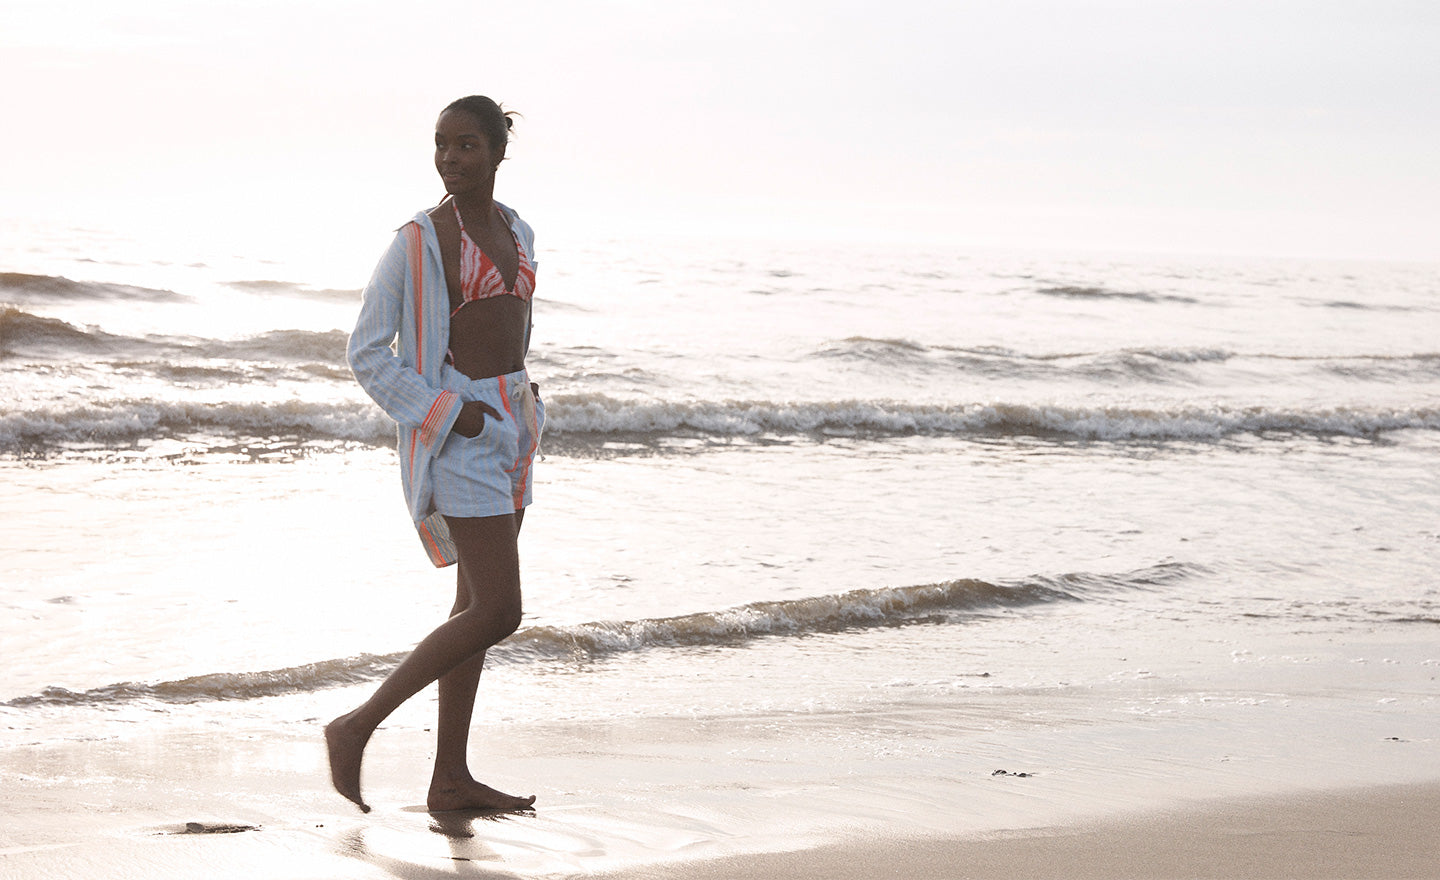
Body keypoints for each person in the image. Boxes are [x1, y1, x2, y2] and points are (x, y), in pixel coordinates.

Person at [326, 95, 543, 814]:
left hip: (513, 423)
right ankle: (356, 727)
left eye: (467, 145)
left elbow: (512, 324)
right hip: (463, 431)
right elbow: (367, 353)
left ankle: (449, 777)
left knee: (473, 606)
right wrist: (451, 414)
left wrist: (519, 397)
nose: (451, 158)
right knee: (501, 611)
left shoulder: (517, 230)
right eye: (442, 145)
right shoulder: (418, 241)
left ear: (498, 151)